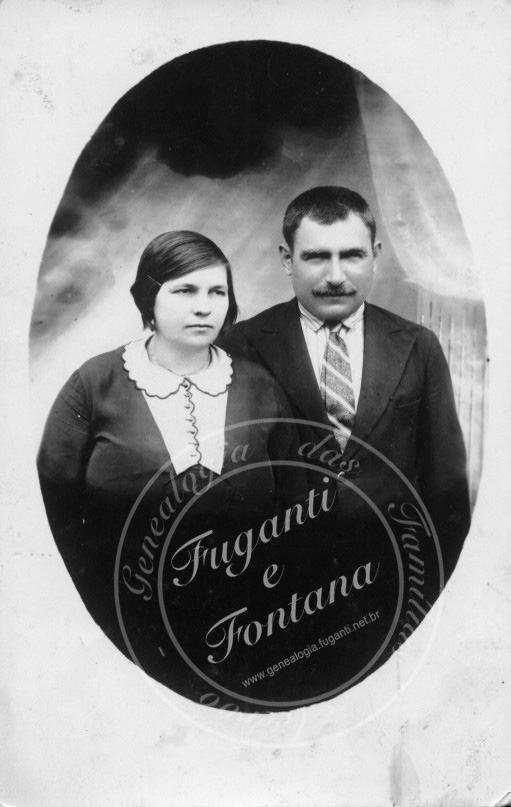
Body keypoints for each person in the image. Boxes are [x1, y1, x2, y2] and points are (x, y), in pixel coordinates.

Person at [37, 230, 306, 708]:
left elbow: (295, 506)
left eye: (217, 292)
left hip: (243, 631)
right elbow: (50, 508)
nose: (203, 307)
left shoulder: (260, 386)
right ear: (149, 297)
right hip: (119, 630)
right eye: (184, 291)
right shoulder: (94, 385)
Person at [222, 186, 471, 655]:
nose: (335, 277)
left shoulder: (418, 345)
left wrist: (434, 601)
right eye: (316, 257)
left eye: (352, 255)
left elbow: (446, 488)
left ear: (376, 255)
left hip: (396, 590)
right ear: (287, 259)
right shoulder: (241, 345)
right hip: (277, 599)